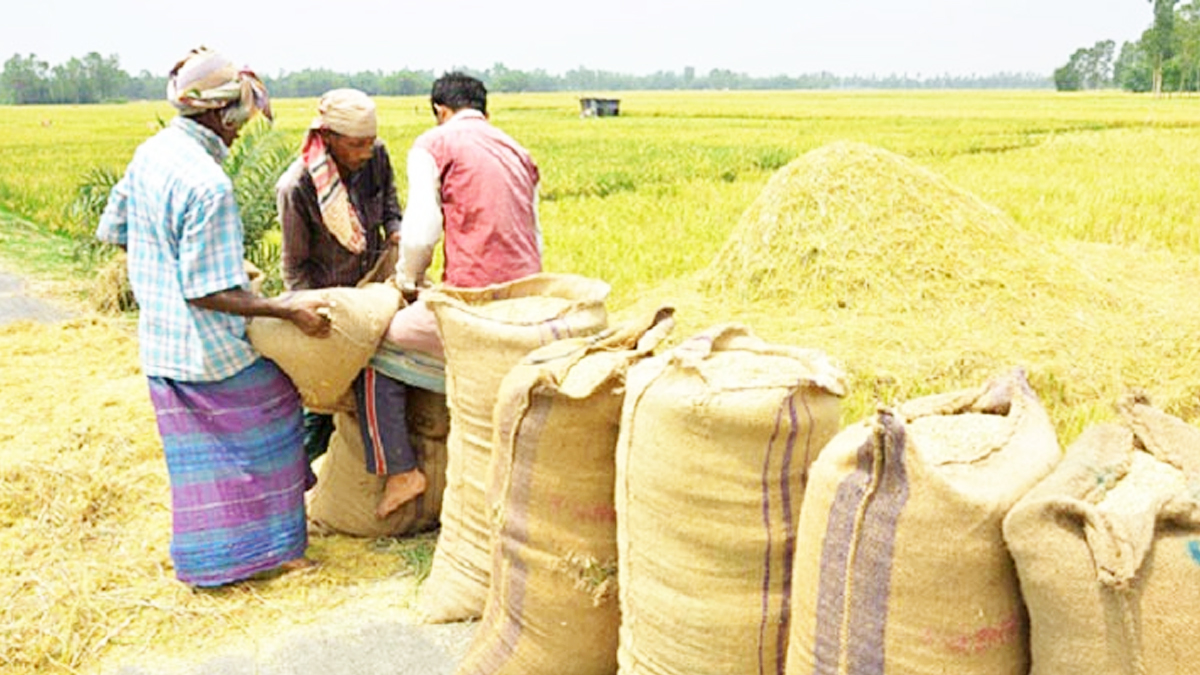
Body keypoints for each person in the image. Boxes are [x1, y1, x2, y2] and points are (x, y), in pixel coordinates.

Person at [96, 46, 331, 588]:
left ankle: (214, 559)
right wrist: (284, 308)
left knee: (198, 460)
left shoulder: (152, 153)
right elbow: (207, 293)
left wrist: (170, 258)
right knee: (278, 412)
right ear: (220, 115)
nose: (240, 132)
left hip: (162, 342)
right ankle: (279, 551)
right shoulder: (209, 184)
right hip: (208, 351)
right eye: (239, 121)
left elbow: (116, 228)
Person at [378, 71, 543, 509]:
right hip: (530, 298)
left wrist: (408, 281)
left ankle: (401, 472)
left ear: (440, 111)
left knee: (380, 346)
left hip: (474, 300)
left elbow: (421, 231)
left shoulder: (434, 143)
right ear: (485, 110)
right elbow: (535, 234)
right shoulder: (518, 151)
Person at [276, 89, 402, 467]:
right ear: (328, 138)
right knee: (322, 402)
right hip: (329, 303)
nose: (365, 153)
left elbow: (391, 206)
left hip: (374, 290)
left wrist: (397, 232)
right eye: (356, 145)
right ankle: (297, 475)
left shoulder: (377, 156)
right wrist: (312, 316)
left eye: (369, 143)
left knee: (379, 384)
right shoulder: (297, 187)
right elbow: (295, 268)